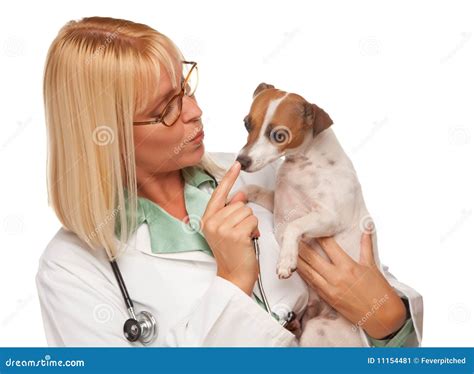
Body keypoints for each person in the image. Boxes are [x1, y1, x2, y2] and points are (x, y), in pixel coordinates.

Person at [36, 16, 423, 347]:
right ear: (107, 133)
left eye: (185, 88)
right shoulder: (71, 270)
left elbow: (390, 333)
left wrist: (388, 320)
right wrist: (233, 281)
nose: (195, 111)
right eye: (166, 109)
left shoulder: (268, 176)